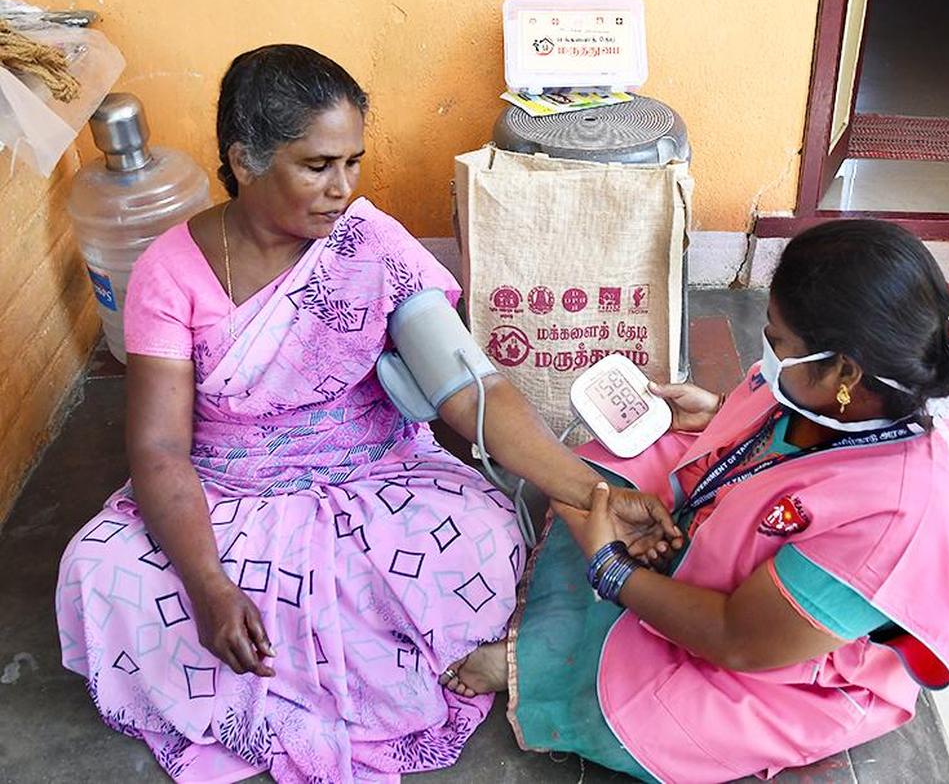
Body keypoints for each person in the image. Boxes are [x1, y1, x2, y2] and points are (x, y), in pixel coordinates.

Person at [55, 44, 675, 783]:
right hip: (225, 492)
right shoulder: (170, 272)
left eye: (352, 162)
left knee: (482, 538)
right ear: (245, 160)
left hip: (371, 469)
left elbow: (471, 389)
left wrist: (592, 493)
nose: (342, 187)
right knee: (98, 569)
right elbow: (159, 452)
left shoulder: (370, 243)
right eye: (317, 165)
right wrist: (210, 585)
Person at [449, 220, 949, 783]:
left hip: (777, 658)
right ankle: (603, 603)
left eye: (780, 343)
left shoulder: (899, 518)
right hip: (750, 514)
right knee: (597, 470)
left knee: (647, 713)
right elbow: (814, 440)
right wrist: (719, 413)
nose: (770, 353)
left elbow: (739, 639)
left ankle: (539, 663)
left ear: (845, 371)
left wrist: (611, 570)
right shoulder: (874, 391)